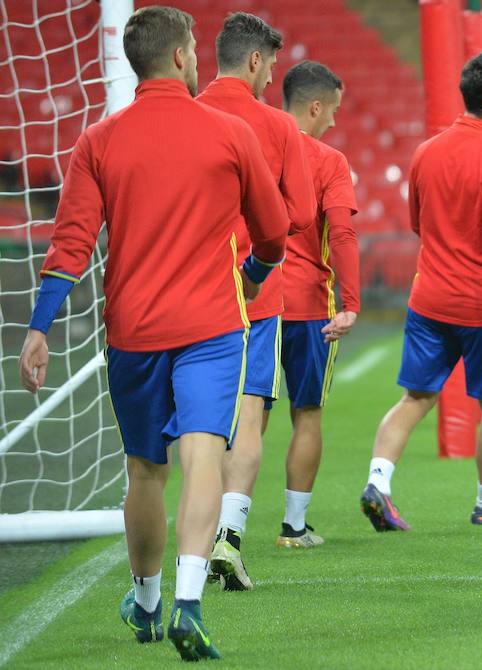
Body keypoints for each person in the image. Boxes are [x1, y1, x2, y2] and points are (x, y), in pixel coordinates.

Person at [17, 6, 289, 660]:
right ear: (181, 56)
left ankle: (144, 602)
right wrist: (253, 274)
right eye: (193, 47)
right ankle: (188, 604)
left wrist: (39, 328)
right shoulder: (230, 132)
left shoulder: (99, 140)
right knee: (204, 457)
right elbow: (275, 232)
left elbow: (71, 244)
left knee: (144, 471)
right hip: (213, 326)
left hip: (133, 331)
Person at [359, 52, 482, 531]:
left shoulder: (425, 152)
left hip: (430, 300)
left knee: (415, 398)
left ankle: (378, 482)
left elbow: (417, 223)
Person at [196, 11, 316, 592]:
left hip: (185, 292)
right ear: (253, 60)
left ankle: (177, 564)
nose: (271, 77)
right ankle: (229, 536)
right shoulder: (275, 125)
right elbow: (302, 215)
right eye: (269, 66)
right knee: (248, 416)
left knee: (195, 428)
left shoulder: (185, 115)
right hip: (253, 293)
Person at [269, 60, 359, 548]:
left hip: (252, 303)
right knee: (306, 414)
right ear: (316, 106)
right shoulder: (328, 160)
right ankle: (294, 527)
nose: (335, 120)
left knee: (247, 418)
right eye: (334, 110)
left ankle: (225, 530)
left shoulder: (254, 145)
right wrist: (352, 302)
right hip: (309, 307)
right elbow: (341, 233)